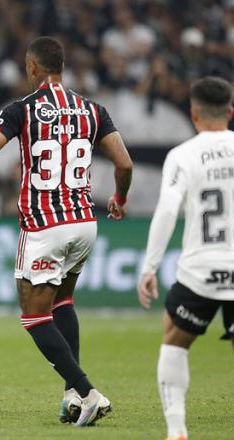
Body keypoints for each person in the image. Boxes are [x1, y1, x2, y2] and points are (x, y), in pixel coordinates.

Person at [0, 36, 133, 426]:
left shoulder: (22, 109)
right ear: (62, 67)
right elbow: (125, 163)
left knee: (34, 316)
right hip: (85, 222)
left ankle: (87, 392)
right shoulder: (93, 110)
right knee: (62, 302)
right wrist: (118, 197)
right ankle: (72, 394)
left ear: (31, 68)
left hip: (45, 225)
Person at [137, 76, 234, 440]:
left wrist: (149, 267)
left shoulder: (182, 155)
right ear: (230, 111)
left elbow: (167, 210)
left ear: (193, 113)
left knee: (175, 340)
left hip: (201, 271)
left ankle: (177, 430)